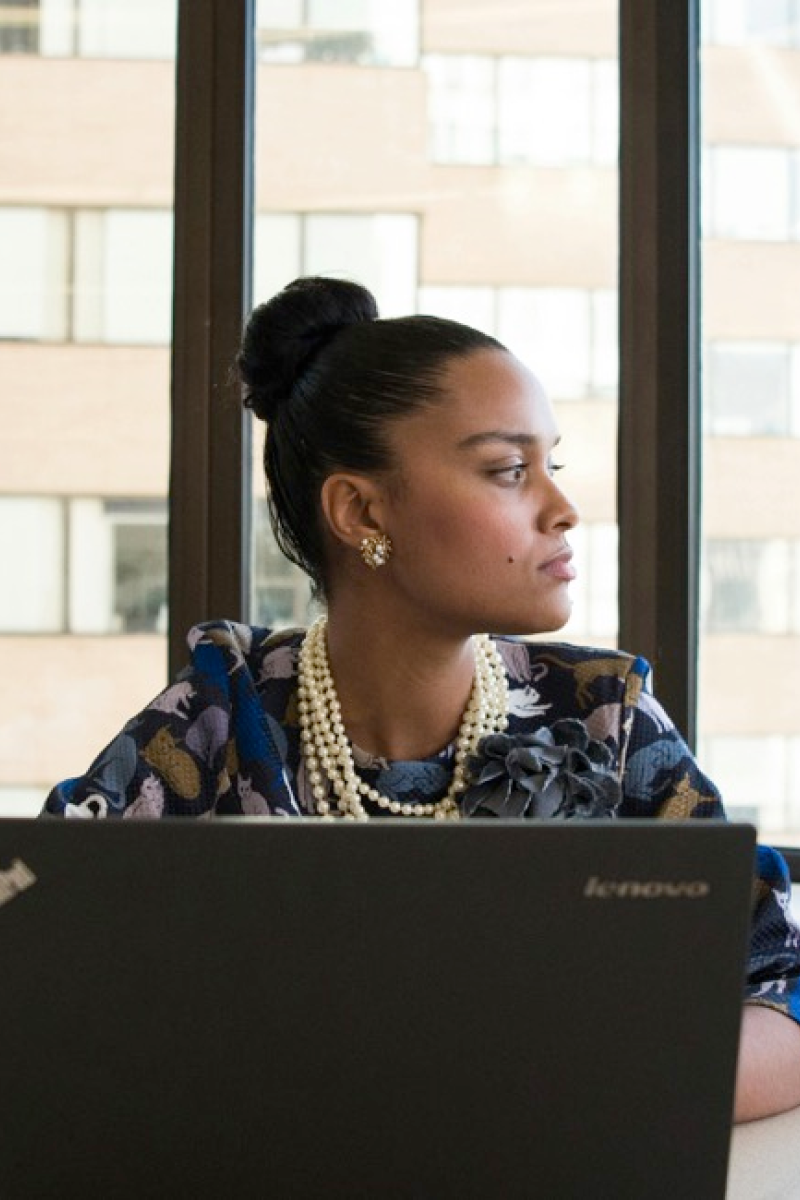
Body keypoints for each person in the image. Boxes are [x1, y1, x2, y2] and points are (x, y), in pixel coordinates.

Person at [42, 275, 800, 1122]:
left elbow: (781, 987)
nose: (563, 510)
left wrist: (560, 1089)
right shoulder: (221, 714)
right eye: (509, 470)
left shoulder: (603, 714)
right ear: (361, 512)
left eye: (552, 466)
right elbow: (41, 943)